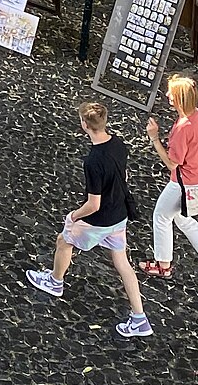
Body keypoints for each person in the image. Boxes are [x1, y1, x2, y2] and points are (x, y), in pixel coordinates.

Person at [26, 100, 152, 338]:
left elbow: (93, 204)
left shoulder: (93, 161)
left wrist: (73, 216)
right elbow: (122, 176)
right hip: (119, 214)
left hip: (100, 219)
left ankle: (55, 282)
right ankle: (139, 318)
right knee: (122, 263)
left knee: (64, 241)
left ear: (85, 125)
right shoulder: (118, 145)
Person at [141, 74, 198, 281]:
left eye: (170, 93)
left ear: (179, 99)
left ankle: (163, 266)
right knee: (184, 219)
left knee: (161, 216)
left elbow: (172, 163)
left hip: (182, 182)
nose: (166, 95)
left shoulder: (183, 127)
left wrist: (154, 138)